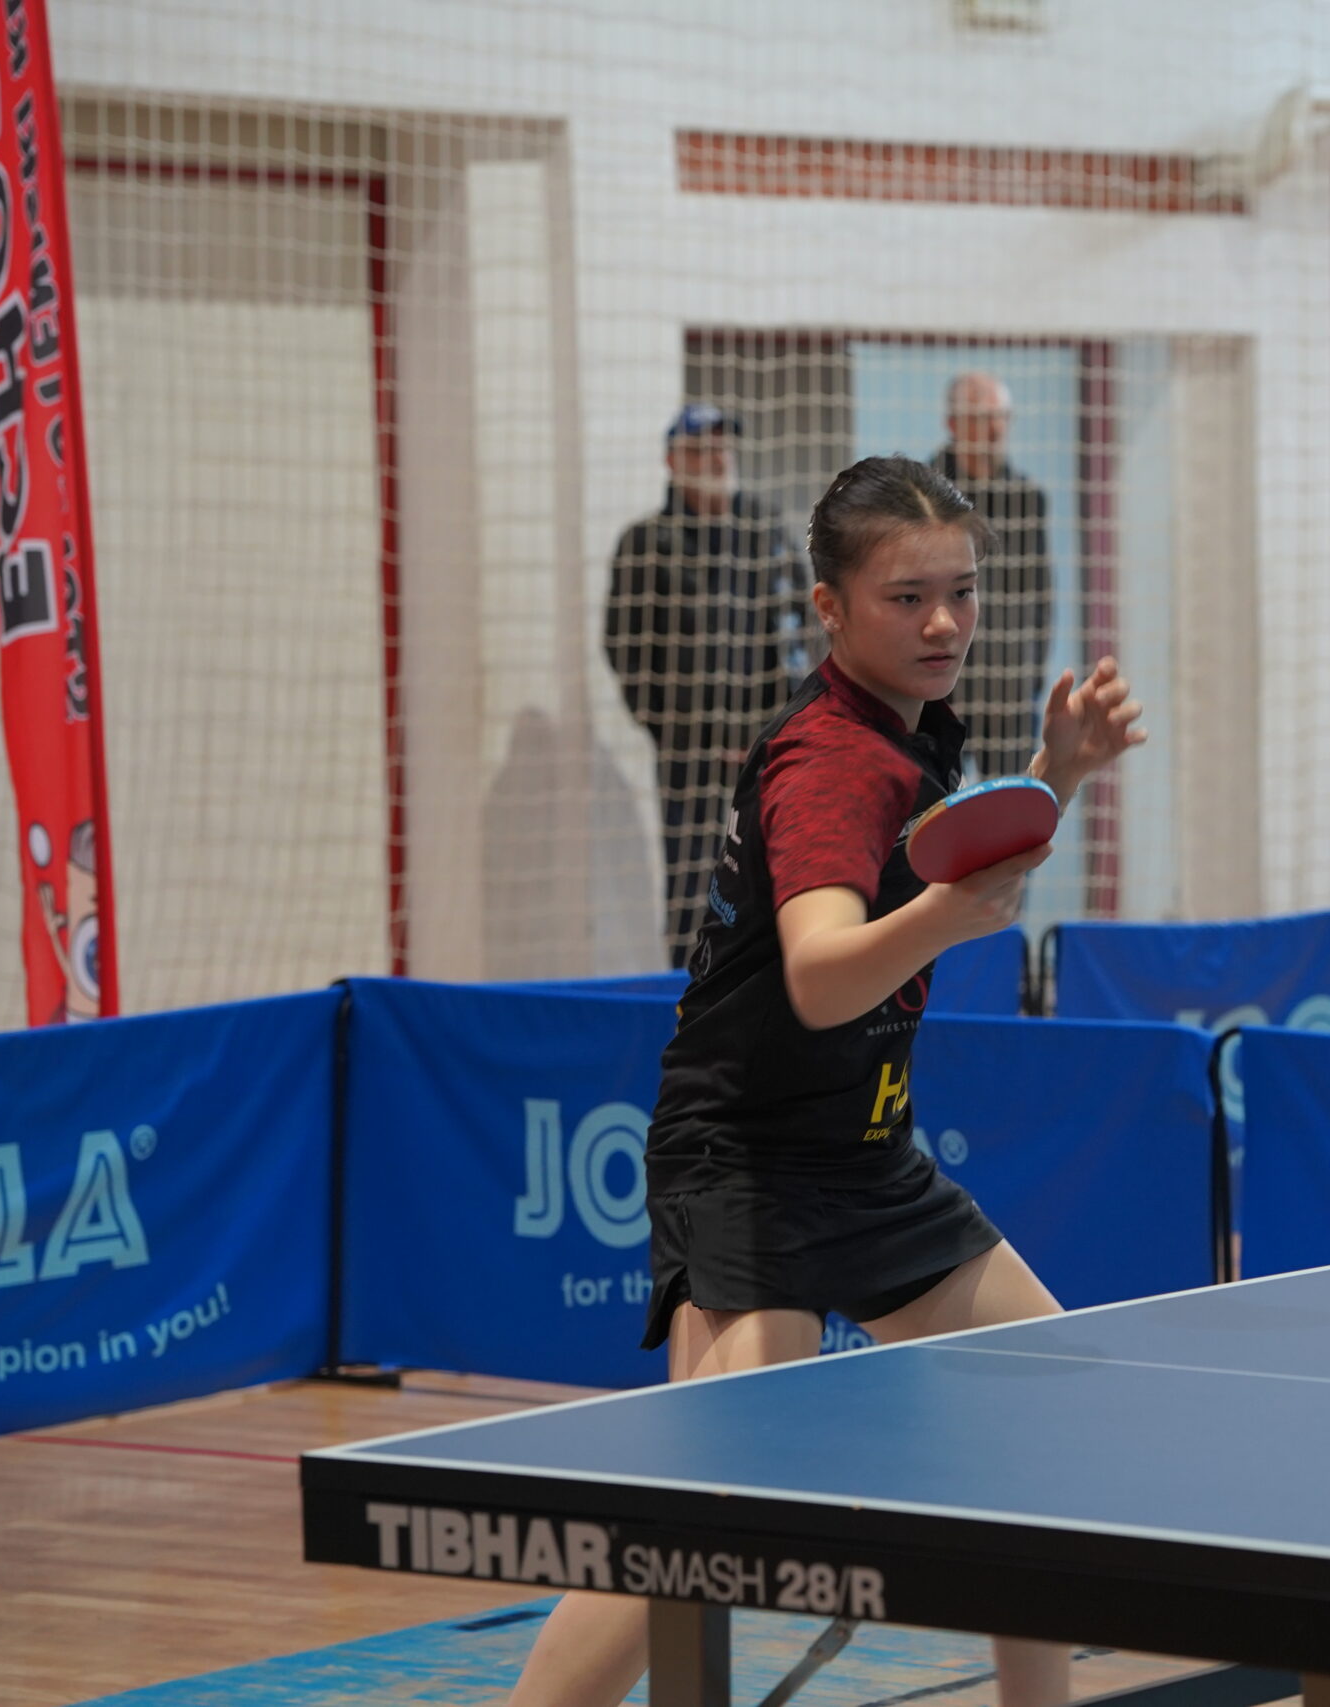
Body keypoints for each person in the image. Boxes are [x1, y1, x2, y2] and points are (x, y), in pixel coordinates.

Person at [510, 455, 1145, 1707]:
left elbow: (954, 864)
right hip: (745, 1161)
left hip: (864, 1160)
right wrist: (951, 919)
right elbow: (819, 977)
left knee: (1039, 1414)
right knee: (707, 1501)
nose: (945, 623)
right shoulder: (831, 765)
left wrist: (1057, 773)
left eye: (962, 590)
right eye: (907, 598)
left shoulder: (906, 726)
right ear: (828, 607)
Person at [604, 403, 809, 964]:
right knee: (692, 884)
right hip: (687, 757)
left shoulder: (767, 531)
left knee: (771, 880)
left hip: (768, 751)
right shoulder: (645, 543)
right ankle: (685, 993)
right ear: (672, 462)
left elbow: (801, 632)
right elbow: (626, 650)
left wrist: (769, 732)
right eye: (702, 449)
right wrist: (679, 734)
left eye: (723, 447)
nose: (718, 459)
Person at [930, 372, 1051, 780]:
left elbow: (1041, 596)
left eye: (1003, 416)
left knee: (1009, 806)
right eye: (984, 417)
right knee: (931, 803)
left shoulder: (1027, 498)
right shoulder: (924, 496)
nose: (997, 429)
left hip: (1009, 688)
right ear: (954, 424)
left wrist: (1029, 677)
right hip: (940, 682)